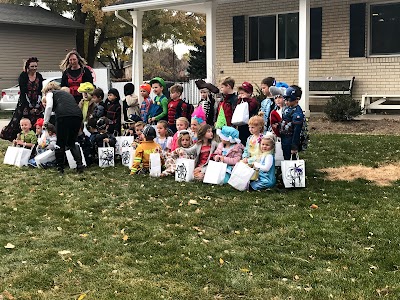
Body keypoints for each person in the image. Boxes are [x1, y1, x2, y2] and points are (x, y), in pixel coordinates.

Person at [42, 82, 84, 174]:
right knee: (72, 142)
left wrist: (45, 122)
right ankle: (79, 165)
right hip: (77, 115)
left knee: (60, 143)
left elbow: (49, 107)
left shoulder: (50, 93)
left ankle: (60, 168)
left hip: (63, 116)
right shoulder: (66, 94)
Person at [1, 57, 44, 141]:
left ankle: (35, 137)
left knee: (38, 119)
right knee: (19, 119)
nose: (34, 68)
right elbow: (23, 91)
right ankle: (17, 137)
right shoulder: (23, 75)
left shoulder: (39, 76)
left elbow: (40, 91)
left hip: (36, 100)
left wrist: (37, 105)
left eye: (36, 66)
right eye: (32, 66)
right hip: (25, 101)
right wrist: (30, 106)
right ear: (28, 66)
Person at [280, 85, 305, 160]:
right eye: (285, 99)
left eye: (289, 99)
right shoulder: (287, 108)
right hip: (284, 136)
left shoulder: (297, 113)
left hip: (290, 138)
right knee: (285, 155)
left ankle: (290, 171)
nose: (286, 102)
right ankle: (285, 169)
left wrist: (294, 146)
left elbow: (297, 131)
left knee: (290, 158)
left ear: (297, 99)